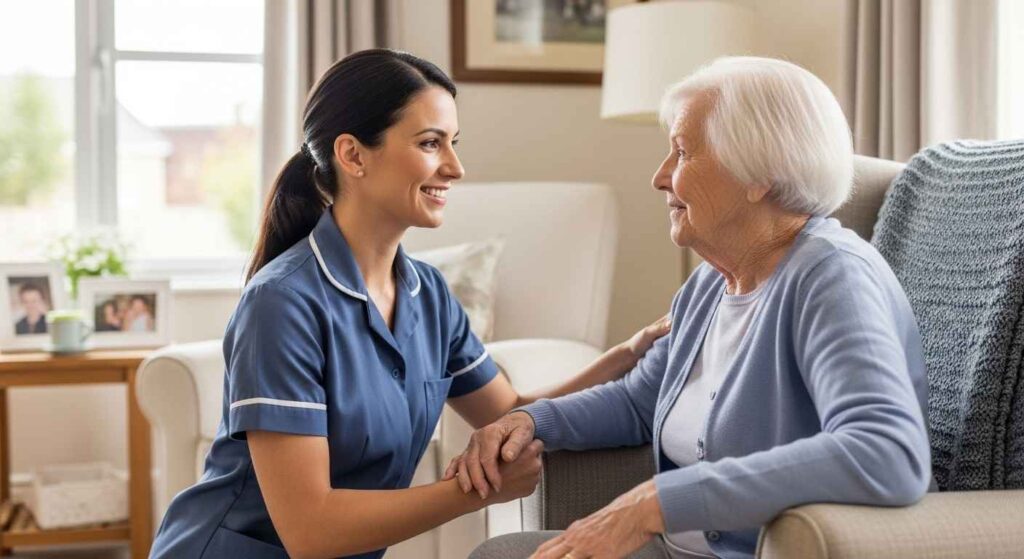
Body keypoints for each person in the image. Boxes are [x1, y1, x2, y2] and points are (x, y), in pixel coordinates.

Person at [148, 48, 669, 559]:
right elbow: (310, 531)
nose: (456, 167)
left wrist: (629, 352)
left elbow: (511, 413)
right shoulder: (282, 303)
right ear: (352, 155)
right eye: (430, 143)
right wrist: (476, 489)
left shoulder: (428, 293)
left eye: (453, 143)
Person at [460, 57, 933, 559]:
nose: (660, 178)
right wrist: (533, 421)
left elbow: (886, 453)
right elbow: (639, 402)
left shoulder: (832, 277)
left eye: (682, 153)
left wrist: (653, 504)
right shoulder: (712, 281)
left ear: (759, 175)